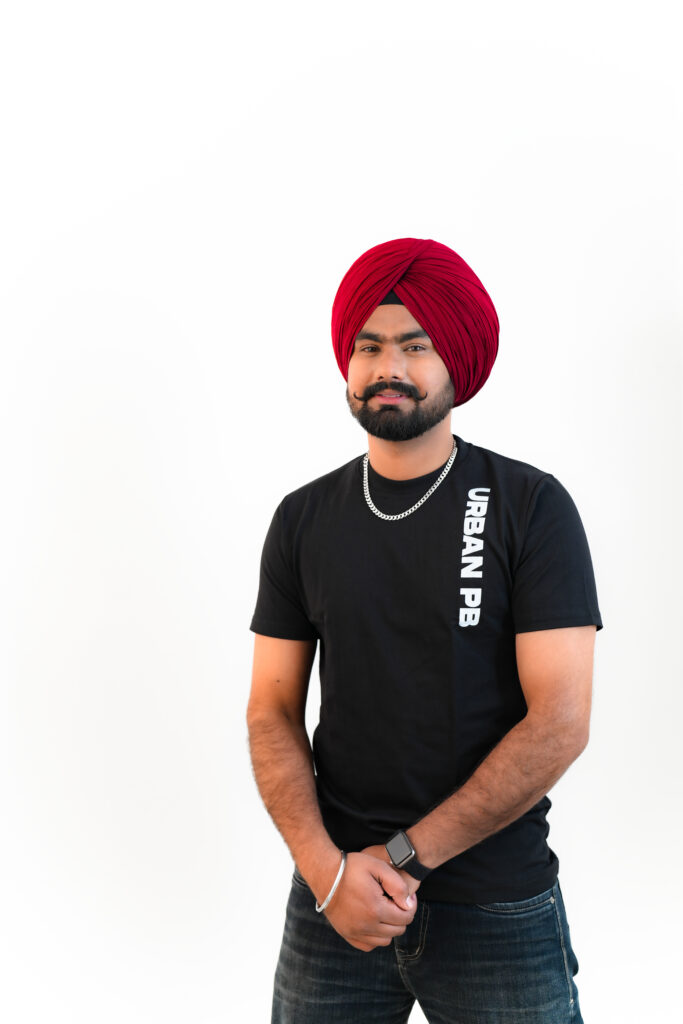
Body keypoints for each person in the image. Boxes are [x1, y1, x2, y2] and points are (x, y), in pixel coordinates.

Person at [247, 236, 602, 1023]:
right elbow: (271, 711)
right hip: (332, 904)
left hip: (493, 904)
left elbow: (560, 721)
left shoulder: (530, 506)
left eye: (415, 346)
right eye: (368, 346)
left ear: (455, 362)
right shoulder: (301, 519)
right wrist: (327, 872)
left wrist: (403, 859)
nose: (388, 367)